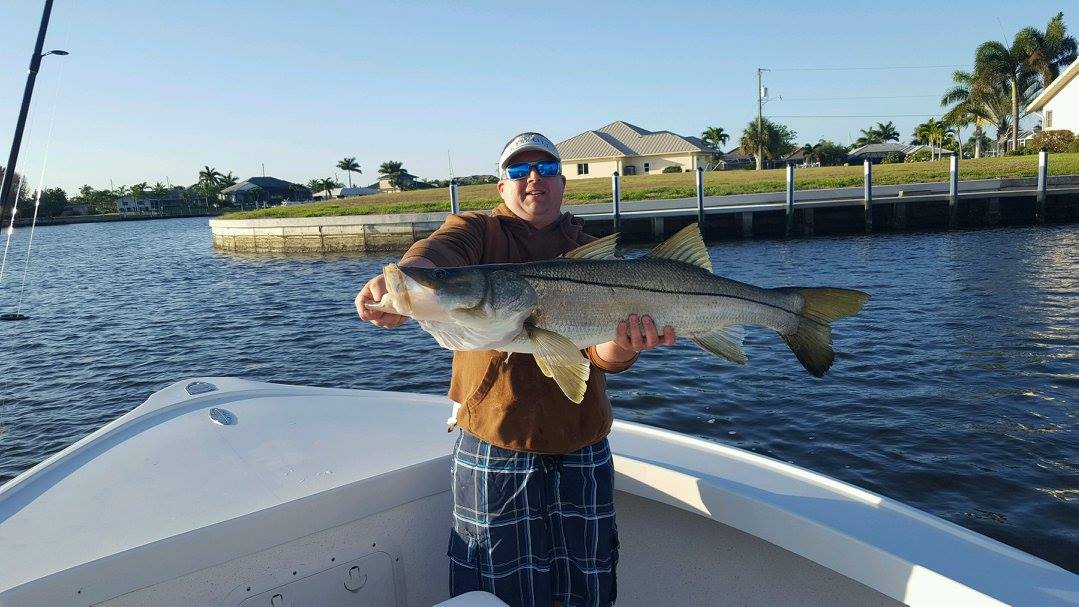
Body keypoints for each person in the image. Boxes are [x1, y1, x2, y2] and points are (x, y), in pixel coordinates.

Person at [355, 132, 676, 607]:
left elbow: (598, 358)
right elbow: (436, 255)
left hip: (582, 440)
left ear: (562, 184)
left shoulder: (591, 253)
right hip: (495, 438)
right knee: (494, 584)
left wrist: (626, 346)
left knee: (586, 582)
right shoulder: (477, 232)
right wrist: (401, 282)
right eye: (518, 171)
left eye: (546, 170)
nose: (533, 179)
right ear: (501, 185)